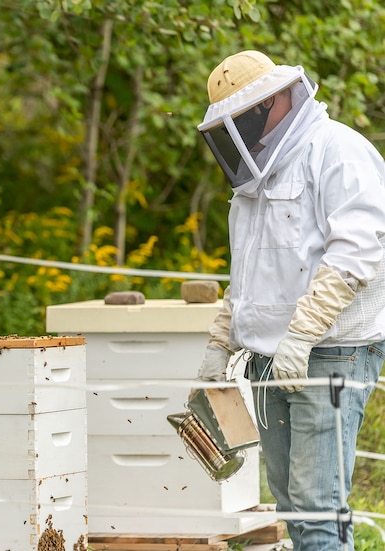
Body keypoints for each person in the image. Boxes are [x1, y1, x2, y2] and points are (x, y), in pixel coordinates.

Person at [195, 50, 385, 550]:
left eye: (244, 116)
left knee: (318, 510)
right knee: (293, 512)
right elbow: (252, 269)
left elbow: (357, 252)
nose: (239, 130)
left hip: (329, 353)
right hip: (267, 361)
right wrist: (222, 339)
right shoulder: (254, 178)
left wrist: (302, 334)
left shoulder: (337, 151)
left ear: (278, 97)